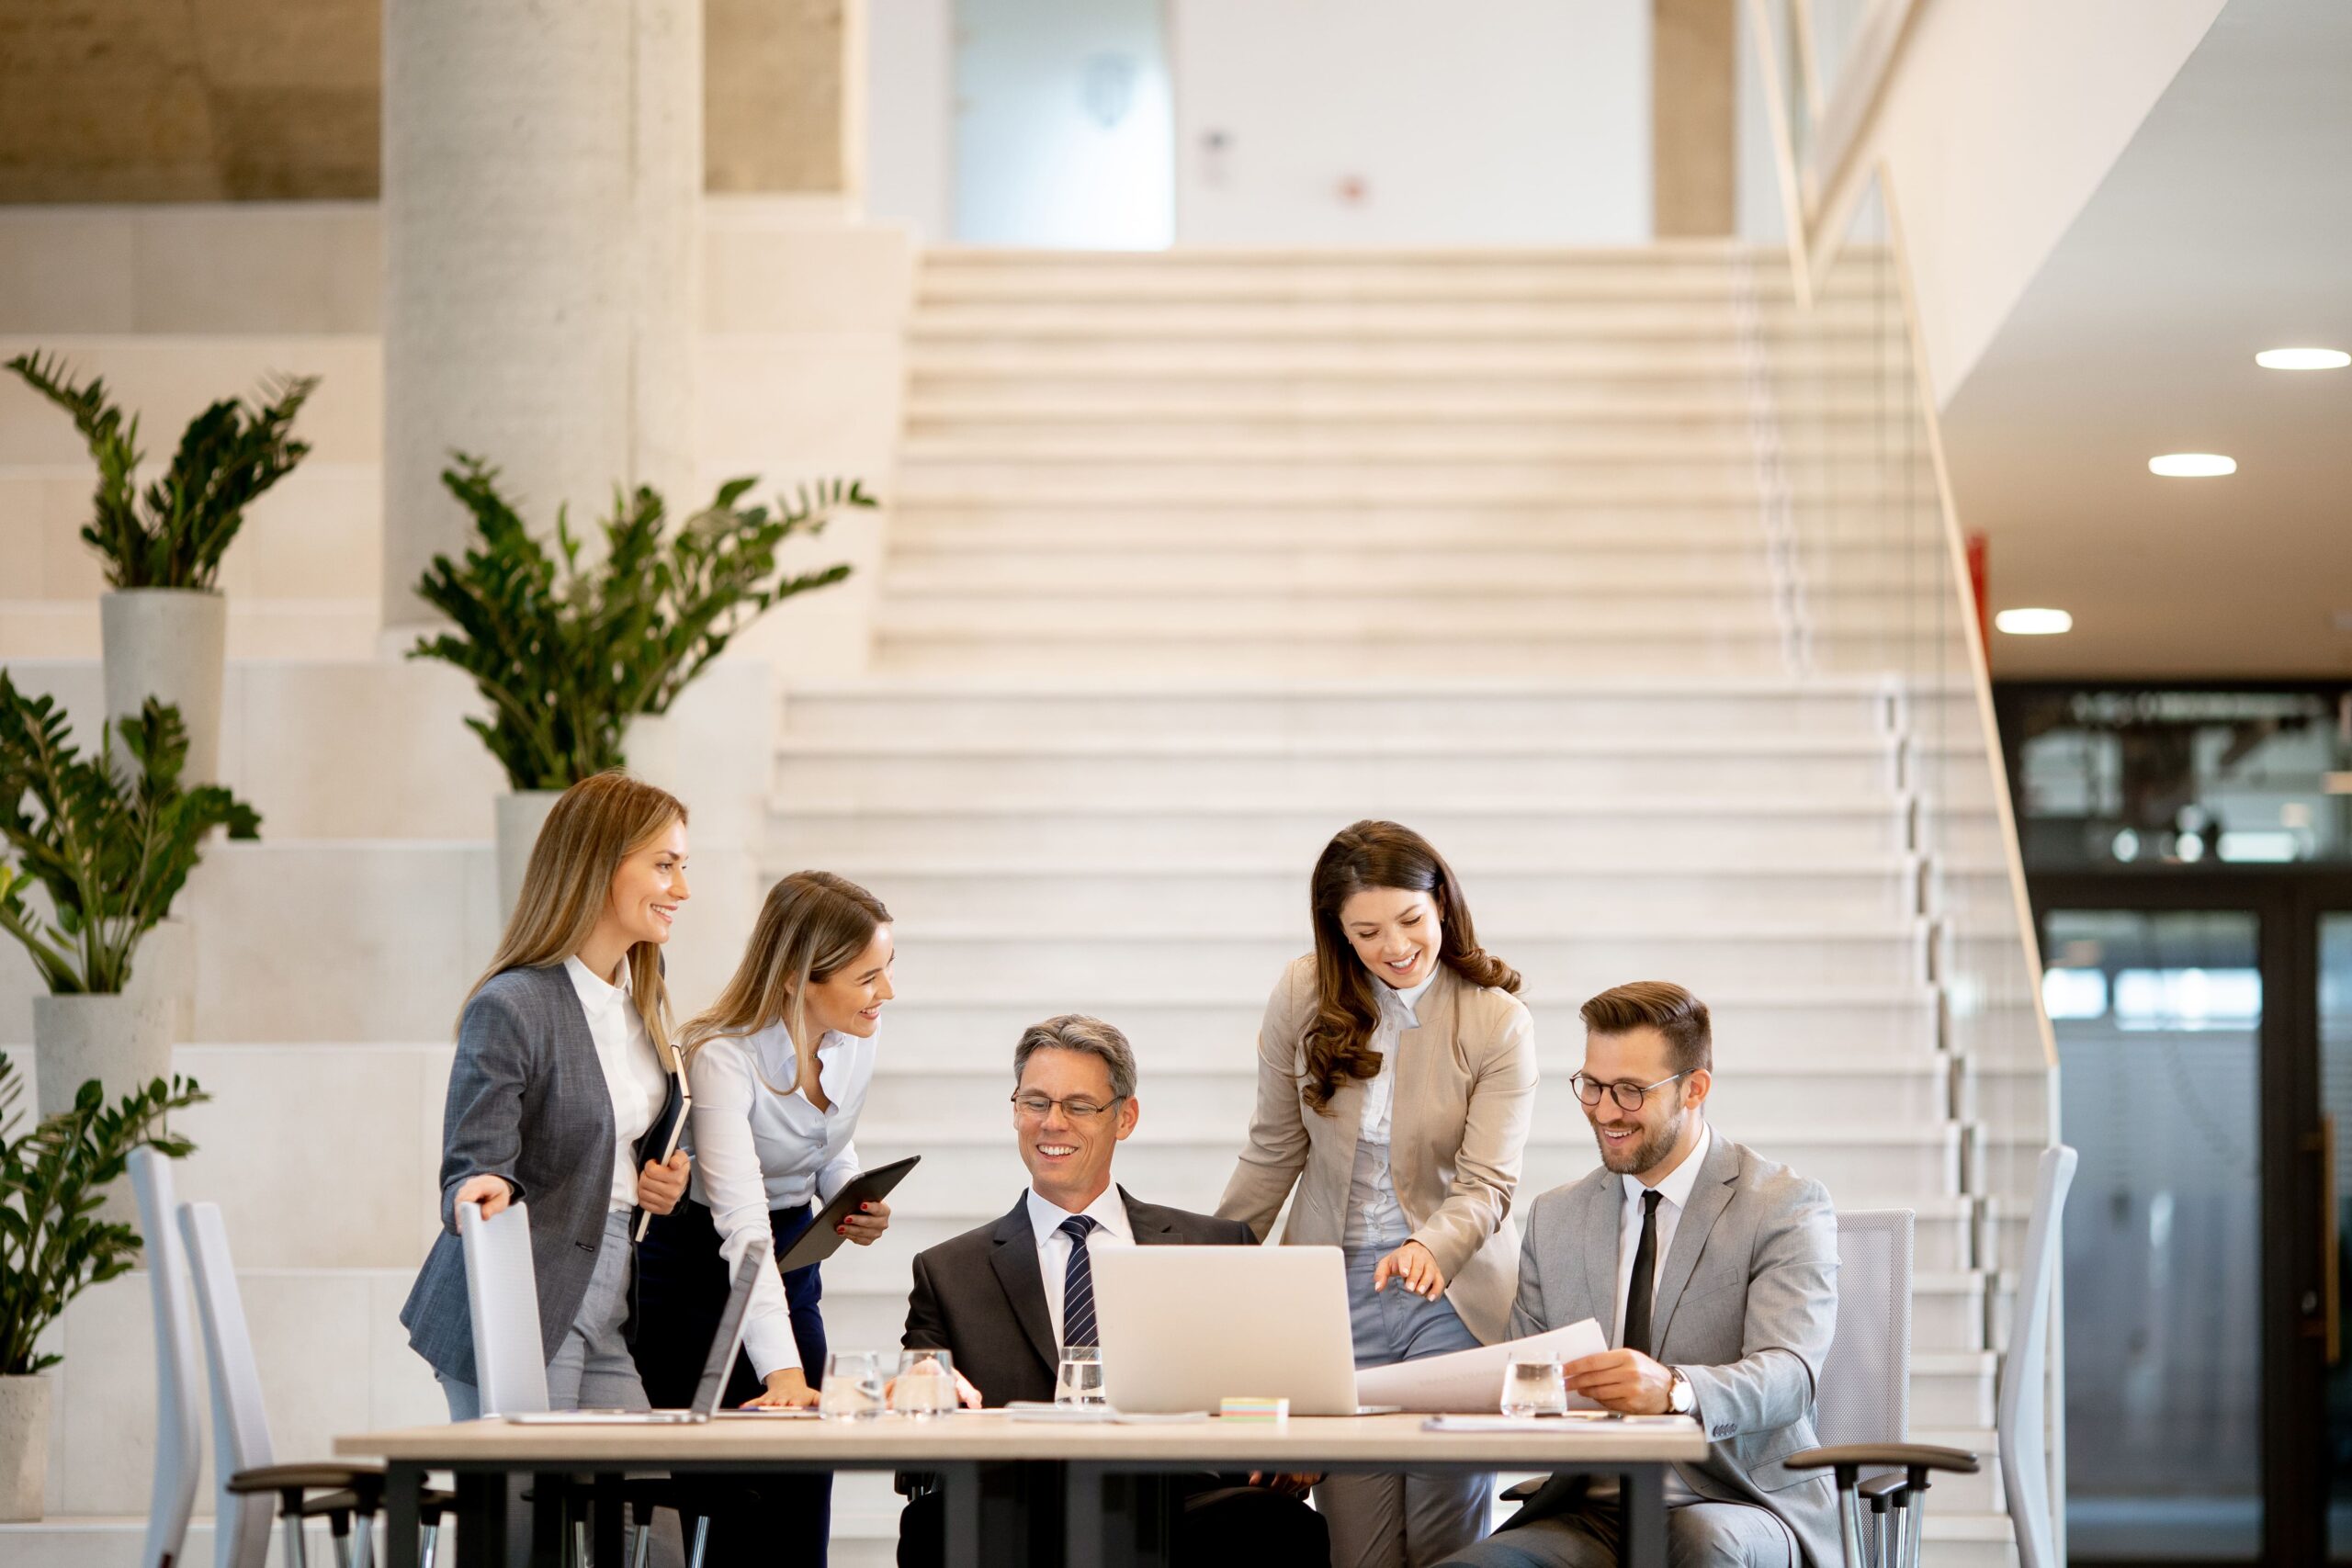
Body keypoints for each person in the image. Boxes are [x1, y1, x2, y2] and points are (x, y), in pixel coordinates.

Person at [896, 1014, 1329, 1567]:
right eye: (1036, 1102)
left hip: (1184, 1504)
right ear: (1015, 1111)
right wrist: (920, 1383)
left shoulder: (1213, 1245)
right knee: (940, 1525)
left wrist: (1289, 1429)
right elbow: (919, 1378)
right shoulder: (948, 1270)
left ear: (1125, 1118)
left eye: (1079, 1106)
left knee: (1274, 1525)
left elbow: (1275, 1380)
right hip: (1017, 1506)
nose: (1053, 1123)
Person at [1218, 819, 1537, 1568]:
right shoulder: (1304, 992)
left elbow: (1487, 1181)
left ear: (1443, 906)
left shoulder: (1497, 1018)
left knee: (1442, 1542)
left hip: (1449, 1299)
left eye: (1410, 921)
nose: (1394, 946)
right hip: (1333, 1295)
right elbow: (1274, 1151)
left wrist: (1433, 1243)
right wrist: (1208, 1260)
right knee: (1355, 1547)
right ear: (1338, 932)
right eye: (1366, 931)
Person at [1436, 982, 1839, 1568]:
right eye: (1593, 1086)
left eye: (1630, 1091)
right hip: (1591, 1512)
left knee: (1702, 1549)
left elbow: (1789, 1376)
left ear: (1694, 1088)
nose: (1605, 1111)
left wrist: (1676, 1390)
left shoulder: (1782, 1203)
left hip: (1734, 1501)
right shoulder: (1557, 1217)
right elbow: (1523, 1375)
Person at [400, 770, 695, 1417]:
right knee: (537, 1517)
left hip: (609, 1302)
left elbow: (618, 1136)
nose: (682, 888)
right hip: (525, 1300)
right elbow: (472, 1162)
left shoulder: (640, 993)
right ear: (600, 865)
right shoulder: (512, 1005)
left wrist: (666, 1180)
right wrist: (483, 1186)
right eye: (665, 864)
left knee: (653, 1518)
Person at [632, 871, 898, 1565]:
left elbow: (827, 1142)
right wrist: (779, 1374)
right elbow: (743, 1228)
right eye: (869, 977)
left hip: (791, 1255)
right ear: (801, 976)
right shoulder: (724, 1056)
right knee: (723, 1504)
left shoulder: (857, 1036)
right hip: (697, 1273)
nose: (886, 994)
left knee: (801, 1486)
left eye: (887, 972)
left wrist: (851, 1192)